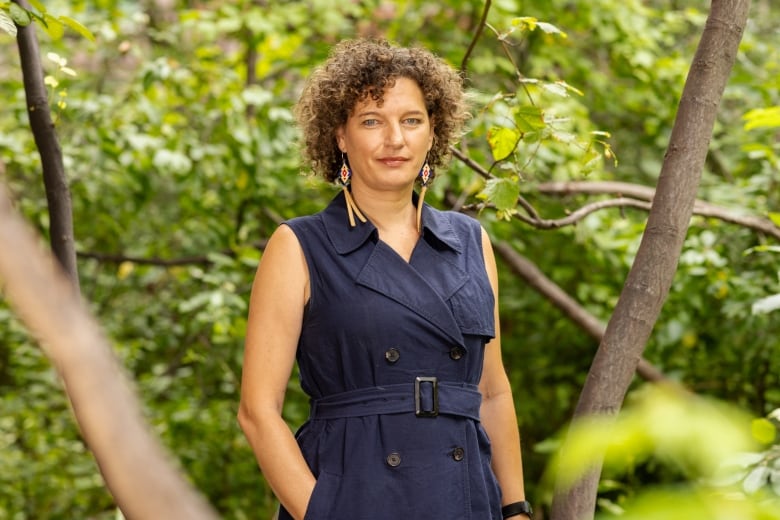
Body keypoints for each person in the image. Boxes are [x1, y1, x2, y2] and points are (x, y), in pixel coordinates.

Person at [238, 38, 531, 520]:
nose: (395, 139)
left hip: (465, 498)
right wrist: (323, 512)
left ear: (433, 132)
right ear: (340, 136)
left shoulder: (470, 240)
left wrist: (515, 509)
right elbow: (257, 411)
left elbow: (493, 391)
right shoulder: (298, 246)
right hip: (355, 493)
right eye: (372, 121)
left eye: (411, 120)